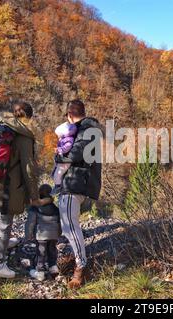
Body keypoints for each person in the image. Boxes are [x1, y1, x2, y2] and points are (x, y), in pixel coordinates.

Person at [0, 101, 43, 279]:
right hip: (10, 185)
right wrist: (34, 196)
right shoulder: (23, 135)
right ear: (28, 117)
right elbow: (28, 168)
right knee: (5, 221)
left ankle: (4, 242)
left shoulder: (2, 126)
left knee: (3, 218)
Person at [55, 99, 102, 289]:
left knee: (69, 227)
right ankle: (77, 260)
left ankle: (81, 268)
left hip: (76, 182)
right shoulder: (90, 129)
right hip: (80, 182)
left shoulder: (87, 129)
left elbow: (76, 153)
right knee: (70, 226)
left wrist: (59, 155)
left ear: (69, 115)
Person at [25, 184, 61, 281]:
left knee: (41, 252)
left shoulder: (35, 208)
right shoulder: (55, 208)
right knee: (52, 250)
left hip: (41, 235)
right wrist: (59, 233)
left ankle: (40, 272)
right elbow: (59, 221)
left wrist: (28, 236)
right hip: (53, 235)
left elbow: (30, 223)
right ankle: (53, 268)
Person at [51, 122, 78, 195]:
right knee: (56, 172)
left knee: (58, 173)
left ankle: (58, 186)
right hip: (62, 159)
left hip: (65, 160)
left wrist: (60, 149)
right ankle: (58, 184)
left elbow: (67, 147)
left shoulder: (69, 139)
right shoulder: (64, 138)